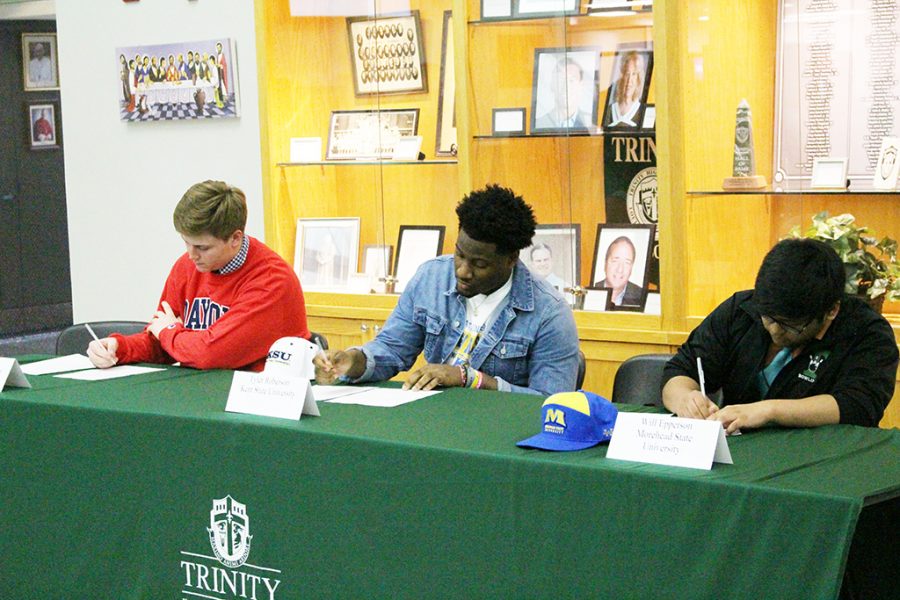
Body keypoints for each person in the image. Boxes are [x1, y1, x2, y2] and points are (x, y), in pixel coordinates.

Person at [314, 184, 580, 396]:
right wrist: (354, 360)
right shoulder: (431, 277)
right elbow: (393, 349)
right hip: (431, 423)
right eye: (460, 254)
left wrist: (471, 379)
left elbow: (552, 402)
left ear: (511, 259)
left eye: (479, 264)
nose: (463, 271)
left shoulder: (550, 313)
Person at [662, 238, 898, 432]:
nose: (774, 330)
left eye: (790, 325)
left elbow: (857, 405)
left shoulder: (867, 333)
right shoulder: (742, 310)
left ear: (831, 310)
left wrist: (767, 411)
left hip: (823, 459)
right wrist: (685, 399)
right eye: (769, 318)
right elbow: (681, 369)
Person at [87, 180, 311, 372]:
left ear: (235, 238)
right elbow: (161, 342)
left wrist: (170, 330)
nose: (191, 255)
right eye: (186, 243)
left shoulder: (271, 280)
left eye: (202, 247)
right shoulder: (187, 266)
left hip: (259, 399)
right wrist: (119, 347)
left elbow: (210, 353)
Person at [535, 56, 593, 130]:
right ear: (552, 85)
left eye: (571, 80)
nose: (566, 87)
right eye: (561, 80)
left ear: (580, 86)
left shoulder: (590, 123)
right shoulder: (539, 124)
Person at [593, 236, 643, 306]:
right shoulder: (591, 291)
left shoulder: (641, 297)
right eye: (615, 261)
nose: (620, 269)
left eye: (627, 262)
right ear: (605, 263)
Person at [603, 51, 645, 129]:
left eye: (634, 74)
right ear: (622, 76)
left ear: (638, 79)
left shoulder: (642, 111)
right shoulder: (609, 111)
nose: (629, 80)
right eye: (627, 73)